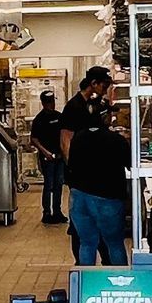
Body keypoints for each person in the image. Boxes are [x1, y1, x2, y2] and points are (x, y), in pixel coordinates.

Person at [67, 98, 132, 266]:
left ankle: (85, 285)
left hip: (79, 199)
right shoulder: (115, 140)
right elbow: (130, 164)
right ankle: (121, 283)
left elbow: (72, 165)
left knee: (87, 244)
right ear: (105, 117)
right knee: (114, 244)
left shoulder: (77, 139)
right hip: (107, 199)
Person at [28, 91, 66, 223]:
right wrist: (45, 152)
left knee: (59, 184)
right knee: (49, 184)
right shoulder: (39, 119)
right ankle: (47, 213)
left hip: (59, 157)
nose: (52, 105)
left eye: (53, 102)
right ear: (43, 103)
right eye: (49, 102)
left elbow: (64, 135)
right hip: (47, 158)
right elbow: (34, 139)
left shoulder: (59, 116)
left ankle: (57, 211)